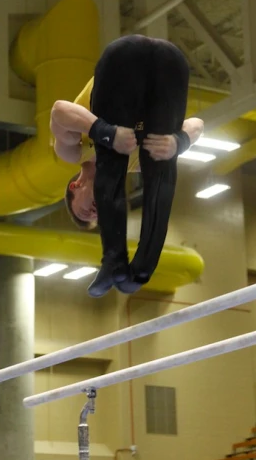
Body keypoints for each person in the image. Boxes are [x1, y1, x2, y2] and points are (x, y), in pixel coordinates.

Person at [50, 34, 204, 297]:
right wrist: (180, 142)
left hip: (124, 63)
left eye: (87, 211)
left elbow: (59, 111)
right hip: (169, 66)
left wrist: (104, 132)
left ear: (76, 186)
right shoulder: (137, 165)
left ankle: (128, 262)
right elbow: (197, 124)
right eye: (97, 217)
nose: (96, 213)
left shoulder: (74, 152)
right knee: (161, 162)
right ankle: (140, 265)